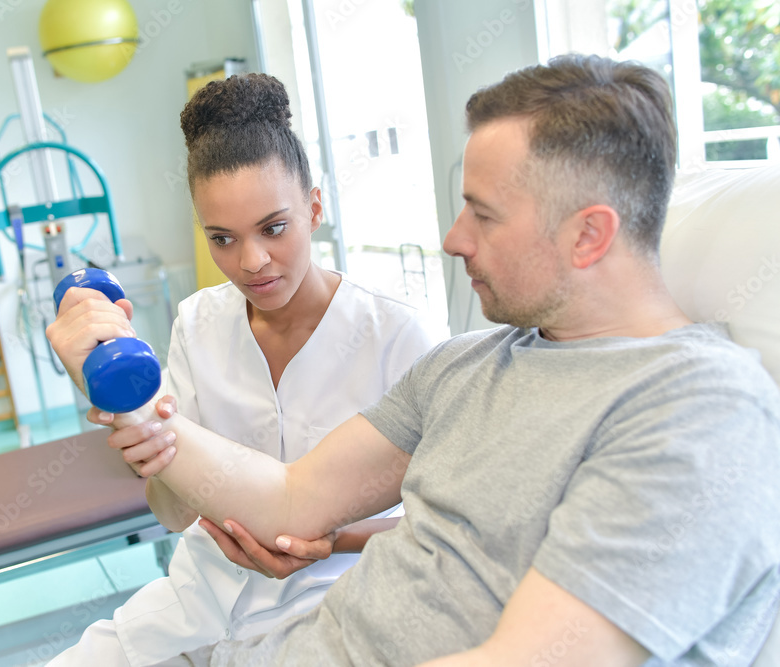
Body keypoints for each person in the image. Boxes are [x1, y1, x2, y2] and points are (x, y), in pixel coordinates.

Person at [102, 54, 780, 666]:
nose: (454, 241)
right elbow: (292, 498)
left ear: (588, 234)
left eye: (482, 215)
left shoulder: (700, 410)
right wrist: (142, 414)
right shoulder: (465, 365)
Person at [44, 73, 436, 665]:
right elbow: (173, 513)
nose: (252, 262)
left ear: (314, 206)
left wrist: (331, 541)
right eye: (222, 239)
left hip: (337, 599)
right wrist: (139, 431)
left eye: (274, 229)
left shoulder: (398, 333)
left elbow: (445, 530)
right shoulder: (197, 323)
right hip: (199, 599)